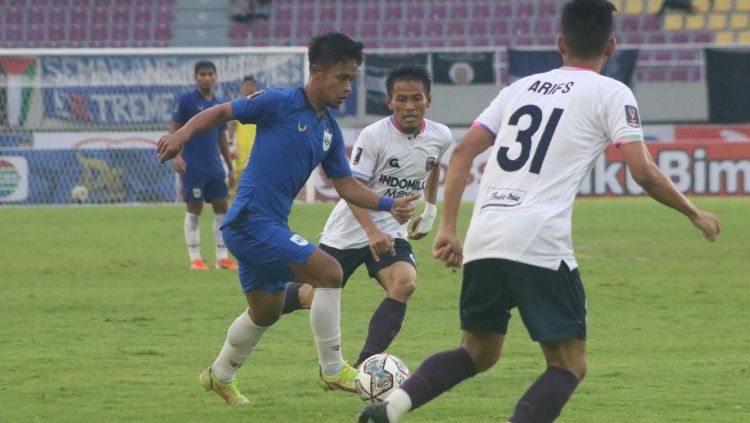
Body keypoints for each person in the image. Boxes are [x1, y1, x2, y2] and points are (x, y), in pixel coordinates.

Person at [358, 1, 720, 422]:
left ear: (559, 44)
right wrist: (693, 212)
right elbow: (642, 170)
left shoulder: (520, 88)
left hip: (485, 235)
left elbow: (463, 154)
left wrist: (450, 228)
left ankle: (390, 408)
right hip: (538, 239)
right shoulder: (611, 91)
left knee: (476, 352)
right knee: (568, 364)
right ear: (612, 45)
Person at [157, 32, 419, 406]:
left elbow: (346, 184)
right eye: (341, 78)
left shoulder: (328, 129)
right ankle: (333, 368)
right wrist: (181, 134)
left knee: (266, 311)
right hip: (250, 221)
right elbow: (221, 112)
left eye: (352, 79)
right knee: (329, 272)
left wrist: (387, 202)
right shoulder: (280, 102)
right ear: (316, 72)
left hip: (269, 227)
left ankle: (220, 375)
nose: (348, 87)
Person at [281, 64, 453, 368]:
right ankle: (264, 299)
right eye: (401, 99)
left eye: (416, 98)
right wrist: (372, 232)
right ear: (389, 102)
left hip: (391, 228)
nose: (409, 106)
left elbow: (433, 163)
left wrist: (430, 208)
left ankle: (365, 368)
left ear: (429, 100)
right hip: (351, 226)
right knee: (310, 296)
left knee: (404, 283)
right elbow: (352, 189)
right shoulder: (374, 136)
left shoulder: (441, 135)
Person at [170, 60, 238, 271]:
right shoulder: (186, 101)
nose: (206, 78)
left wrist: (229, 166)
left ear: (216, 77)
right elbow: (175, 129)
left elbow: (221, 136)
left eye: (210, 74)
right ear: (195, 77)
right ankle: (195, 257)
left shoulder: (219, 104)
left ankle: (221, 257)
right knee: (194, 209)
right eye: (202, 74)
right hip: (193, 166)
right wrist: (176, 155)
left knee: (221, 208)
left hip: (214, 167)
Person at [228, 75, 259, 201]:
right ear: (242, 87)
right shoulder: (239, 106)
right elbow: (232, 126)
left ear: (255, 87)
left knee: (255, 183)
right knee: (235, 184)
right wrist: (231, 144)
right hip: (241, 152)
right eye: (247, 85)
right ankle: (232, 210)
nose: (249, 88)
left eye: (251, 85)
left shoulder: (260, 106)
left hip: (256, 151)